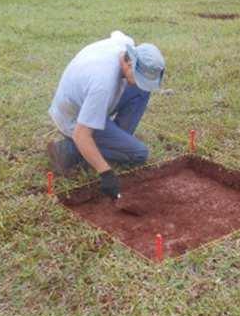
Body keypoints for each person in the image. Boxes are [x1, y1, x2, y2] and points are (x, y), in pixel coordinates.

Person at [47, 31, 165, 200]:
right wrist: (106, 173)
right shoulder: (103, 84)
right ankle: (67, 149)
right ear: (130, 63)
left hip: (89, 102)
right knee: (139, 154)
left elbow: (117, 33)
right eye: (139, 77)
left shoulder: (125, 46)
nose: (140, 82)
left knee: (141, 91)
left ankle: (116, 140)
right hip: (74, 119)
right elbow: (81, 134)